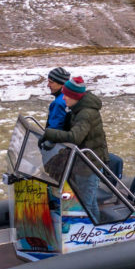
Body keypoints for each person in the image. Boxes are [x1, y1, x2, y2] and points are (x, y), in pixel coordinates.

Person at [40, 76, 109, 221]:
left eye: (66, 95)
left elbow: (75, 137)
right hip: (82, 163)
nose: (63, 98)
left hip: (90, 166)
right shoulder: (77, 109)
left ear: (75, 97)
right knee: (87, 202)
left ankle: (94, 236)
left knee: (85, 205)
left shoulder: (86, 113)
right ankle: (96, 231)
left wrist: (50, 133)